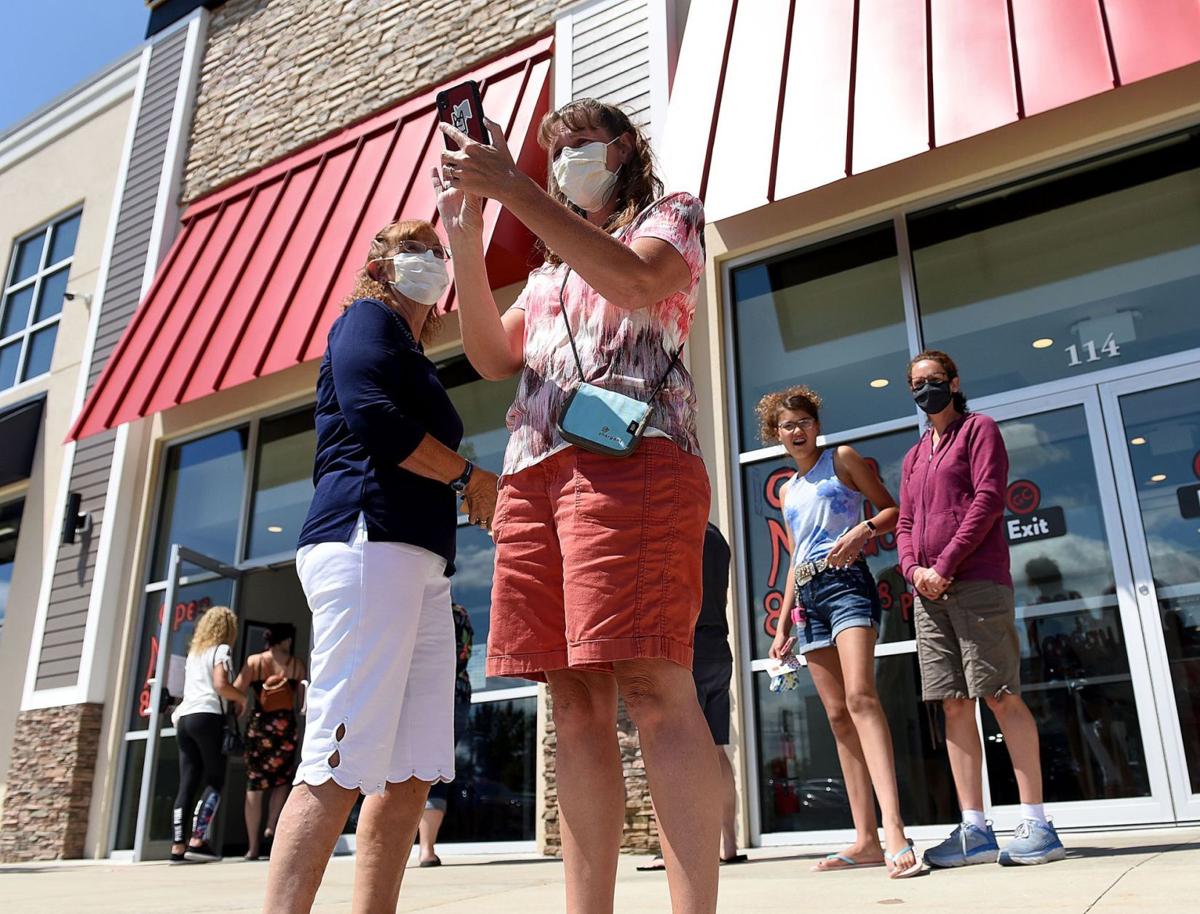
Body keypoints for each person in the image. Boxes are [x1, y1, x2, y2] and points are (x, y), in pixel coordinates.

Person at [434, 99, 720, 913]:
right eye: (553, 153)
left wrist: (515, 188)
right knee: (571, 698)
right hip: (532, 478)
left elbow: (637, 280)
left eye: (580, 147)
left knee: (653, 682)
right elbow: (492, 355)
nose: (564, 164)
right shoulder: (550, 272)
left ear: (625, 149)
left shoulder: (671, 214)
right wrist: (465, 228)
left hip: (634, 464)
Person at [263, 219, 499, 914]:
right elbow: (372, 417)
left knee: (411, 773)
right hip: (367, 542)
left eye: (438, 249)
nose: (429, 258)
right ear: (380, 264)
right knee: (338, 757)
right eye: (413, 247)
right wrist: (470, 477)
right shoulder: (366, 319)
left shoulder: (412, 349)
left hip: (420, 565)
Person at [896, 349, 1065, 866]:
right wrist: (913, 571)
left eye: (933, 380)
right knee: (951, 703)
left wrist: (944, 563)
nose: (925, 389)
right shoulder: (914, 455)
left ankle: (1038, 824)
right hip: (930, 593)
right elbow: (904, 523)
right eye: (916, 384)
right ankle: (975, 830)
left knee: (998, 694)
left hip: (976, 583)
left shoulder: (979, 430)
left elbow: (988, 499)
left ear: (953, 381)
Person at [762, 386, 921, 879]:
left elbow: (892, 510)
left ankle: (894, 832)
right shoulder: (787, 491)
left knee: (861, 698)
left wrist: (865, 529)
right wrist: (783, 621)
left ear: (816, 424)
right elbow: (794, 557)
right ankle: (866, 839)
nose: (797, 431)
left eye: (804, 421)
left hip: (848, 586)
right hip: (807, 601)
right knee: (835, 715)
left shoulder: (843, 459)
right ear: (776, 434)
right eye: (787, 425)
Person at [638, 523, 744, 873]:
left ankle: (677, 850)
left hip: (688, 647)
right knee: (715, 750)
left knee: (673, 750)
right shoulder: (716, 538)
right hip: (718, 648)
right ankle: (728, 843)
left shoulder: (674, 529)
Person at [170, 605, 245, 864]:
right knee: (214, 780)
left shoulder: (194, 654)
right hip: (208, 716)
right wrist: (242, 698)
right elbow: (221, 685)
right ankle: (198, 840)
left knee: (187, 782)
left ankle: (177, 846)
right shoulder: (221, 651)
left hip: (185, 718)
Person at [235, 622, 307, 860]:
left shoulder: (255, 662)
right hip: (285, 728)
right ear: (285, 640)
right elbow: (300, 702)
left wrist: (242, 707)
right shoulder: (296, 666)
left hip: (260, 728)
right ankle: (272, 825)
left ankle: (252, 846)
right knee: (281, 781)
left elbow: (237, 689)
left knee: (255, 785)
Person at [417, 601, 474, 867]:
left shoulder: (415, 606)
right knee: (436, 768)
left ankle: (416, 848)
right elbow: (463, 654)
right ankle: (426, 849)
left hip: (425, 693)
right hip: (454, 693)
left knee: (401, 769)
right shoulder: (458, 613)